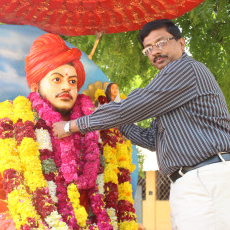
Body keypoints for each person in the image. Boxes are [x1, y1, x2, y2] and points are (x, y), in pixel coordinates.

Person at [53, 19, 230, 230]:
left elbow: (133, 107)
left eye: (161, 42)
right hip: (189, 182)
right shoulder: (169, 93)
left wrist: (70, 127)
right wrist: (114, 113)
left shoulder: (185, 69)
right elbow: (152, 139)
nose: (155, 51)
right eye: (148, 48)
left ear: (182, 43)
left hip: (206, 177)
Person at [0, 33, 140, 229]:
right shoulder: (7, 137)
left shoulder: (95, 138)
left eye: (73, 82)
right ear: (34, 86)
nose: (66, 86)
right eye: (57, 79)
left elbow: (109, 205)